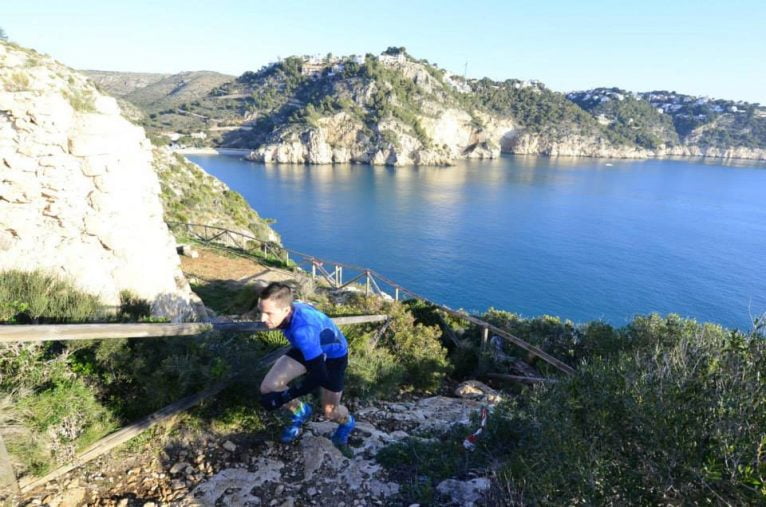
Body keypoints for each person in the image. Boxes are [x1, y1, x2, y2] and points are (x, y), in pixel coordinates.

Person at [257, 282, 355, 446]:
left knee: (330, 412)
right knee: (269, 387)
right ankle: (300, 412)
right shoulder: (289, 308)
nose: (262, 319)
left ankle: (348, 423)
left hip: (333, 356)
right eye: (261, 311)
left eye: (268, 313)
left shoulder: (302, 330)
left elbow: (319, 376)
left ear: (286, 310)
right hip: (310, 347)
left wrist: (284, 398)